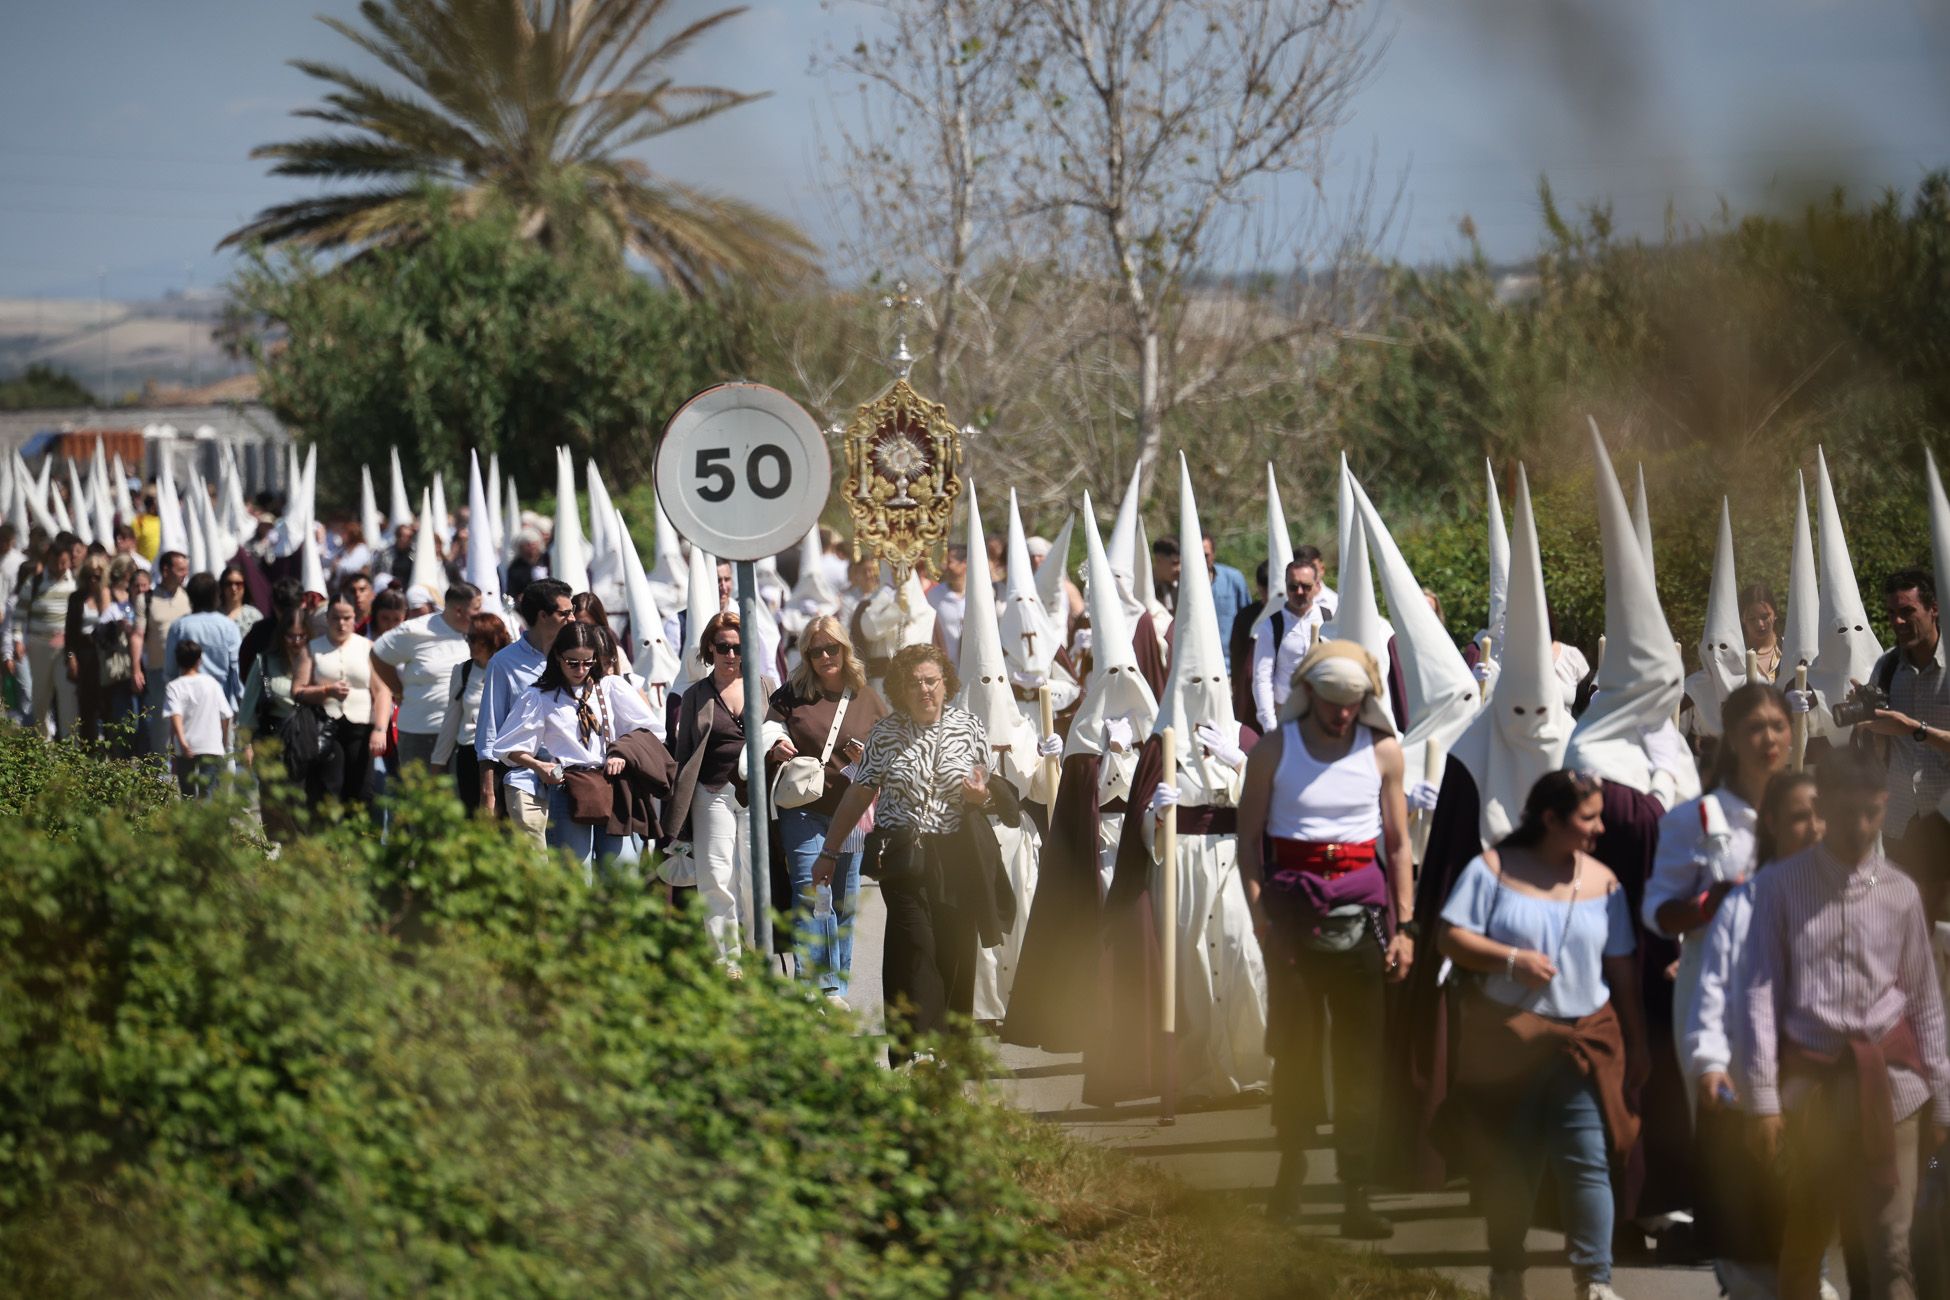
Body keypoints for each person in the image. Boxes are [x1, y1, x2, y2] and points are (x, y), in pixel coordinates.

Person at [1745, 746, 1950, 1300]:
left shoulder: (1901, 894)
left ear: (1884, 806)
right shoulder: (1780, 887)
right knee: (1805, 1241)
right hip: (1810, 1095)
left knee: (1892, 1247)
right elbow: (1759, 994)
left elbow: (1925, 1002)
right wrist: (1763, 1100)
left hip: (1892, 1094)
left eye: (1871, 812)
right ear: (1822, 809)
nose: (1860, 826)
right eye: (1845, 812)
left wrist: (1943, 1102)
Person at [1436, 770, 1649, 1300]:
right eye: (1588, 818)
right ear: (1551, 819)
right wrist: (1512, 961)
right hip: (1512, 1046)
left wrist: (1637, 1040)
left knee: (1588, 1161)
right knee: (1514, 1165)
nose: (1600, 828)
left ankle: (1594, 1281)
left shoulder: (1604, 882)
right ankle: (1507, 1272)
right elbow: (1451, 937)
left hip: (1583, 1043)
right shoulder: (1492, 870)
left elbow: (1621, 970)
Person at [1239, 640, 1417, 1238]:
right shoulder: (1273, 751)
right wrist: (1260, 917)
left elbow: (1398, 845)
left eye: (1353, 702)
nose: (1342, 713)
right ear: (1309, 694)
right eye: (1332, 700)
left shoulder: (1383, 752)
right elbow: (1249, 844)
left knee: (1360, 1059)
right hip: (1291, 923)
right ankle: (1290, 1172)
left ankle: (1356, 1191)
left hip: (1364, 924)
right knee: (1295, 1052)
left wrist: (1405, 928)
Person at [811, 642, 1020, 1058]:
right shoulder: (885, 734)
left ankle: (951, 1054)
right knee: (916, 947)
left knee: (955, 952)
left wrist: (980, 796)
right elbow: (859, 793)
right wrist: (829, 852)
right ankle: (920, 1052)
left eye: (931, 681)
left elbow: (988, 790)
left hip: (958, 856)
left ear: (945, 683)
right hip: (903, 856)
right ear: (900, 689)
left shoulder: (969, 728)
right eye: (914, 683)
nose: (924, 690)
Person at [1685, 769, 1827, 1300]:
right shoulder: (1743, 905)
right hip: (1746, 1097)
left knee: (1806, 1236)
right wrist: (1710, 1062)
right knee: (1748, 1248)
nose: (1815, 827)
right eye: (1800, 817)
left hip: (1821, 1101)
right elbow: (1712, 990)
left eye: (1821, 815)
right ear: (1771, 823)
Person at [1642, 683, 1791, 1104]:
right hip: (1715, 999)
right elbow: (1658, 913)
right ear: (1733, 736)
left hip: (1791, 991)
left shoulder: (1805, 812)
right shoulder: (1695, 819)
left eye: (1778, 726)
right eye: (1755, 728)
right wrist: (1708, 906)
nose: (1769, 739)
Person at [763, 615, 889, 1000]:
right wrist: (776, 745)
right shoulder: (790, 695)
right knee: (809, 891)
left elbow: (889, 751)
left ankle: (836, 990)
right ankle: (814, 987)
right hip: (803, 807)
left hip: (850, 813)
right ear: (806, 656)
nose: (824, 657)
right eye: (815, 652)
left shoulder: (867, 697)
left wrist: (869, 757)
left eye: (831, 648)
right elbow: (767, 732)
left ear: (844, 649)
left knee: (842, 901)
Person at [491, 621, 662, 875]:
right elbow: (508, 746)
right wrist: (538, 766)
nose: (580, 670)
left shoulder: (610, 687)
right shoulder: (540, 696)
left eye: (587, 662)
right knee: (575, 873)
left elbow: (651, 730)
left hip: (611, 783)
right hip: (567, 787)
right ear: (558, 657)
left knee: (621, 872)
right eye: (572, 662)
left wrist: (621, 752)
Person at [1843, 568, 1950, 922]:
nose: (1898, 621)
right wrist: (1867, 721)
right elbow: (1878, 742)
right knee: (1905, 925)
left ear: (1934, 608)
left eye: (1907, 611)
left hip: (1945, 816)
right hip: (1902, 822)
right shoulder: (1887, 666)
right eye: (1892, 613)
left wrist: (1915, 729)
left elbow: (1908, 730)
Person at [670, 611, 772, 972]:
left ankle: (758, 952)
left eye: (738, 647)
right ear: (710, 648)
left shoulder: (763, 686)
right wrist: (678, 812)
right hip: (711, 792)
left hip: (755, 793)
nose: (731, 654)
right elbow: (684, 753)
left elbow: (778, 732)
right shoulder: (696, 694)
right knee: (716, 876)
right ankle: (725, 963)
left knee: (755, 878)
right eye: (723, 646)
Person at [475, 579, 575, 845]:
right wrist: (488, 793)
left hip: (573, 778)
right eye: (565, 613)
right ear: (543, 616)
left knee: (571, 862)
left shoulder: (576, 658)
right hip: (525, 779)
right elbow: (490, 729)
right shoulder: (504, 663)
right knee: (535, 860)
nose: (573, 618)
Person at [371, 581, 479, 769]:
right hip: (421, 733)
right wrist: (397, 690)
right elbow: (378, 654)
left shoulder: (478, 633)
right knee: (419, 788)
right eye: (476, 609)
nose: (481, 613)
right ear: (458, 611)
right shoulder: (416, 630)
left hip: (464, 735)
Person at [239, 607, 314, 836]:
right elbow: (248, 708)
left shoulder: (317, 660)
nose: (296, 642)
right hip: (274, 739)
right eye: (291, 636)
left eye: (301, 636)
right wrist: (246, 744)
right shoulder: (265, 663)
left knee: (302, 803)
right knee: (275, 803)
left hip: (307, 739)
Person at [297, 594, 376, 807]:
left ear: (355, 618)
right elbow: (298, 691)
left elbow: (381, 691)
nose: (341, 624)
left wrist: (380, 729)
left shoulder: (367, 646)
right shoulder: (312, 648)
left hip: (361, 727)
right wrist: (326, 691)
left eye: (346, 618)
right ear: (327, 619)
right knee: (330, 789)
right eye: (335, 618)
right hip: (326, 727)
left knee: (362, 791)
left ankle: (360, 828)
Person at [432, 613, 513, 813]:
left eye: (477, 639)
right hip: (469, 752)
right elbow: (451, 718)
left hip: (502, 754)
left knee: (503, 817)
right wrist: (438, 761)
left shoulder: (509, 669)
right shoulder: (463, 671)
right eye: (469, 637)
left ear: (493, 640)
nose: (470, 643)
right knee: (472, 815)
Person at [1250, 551, 1336, 732]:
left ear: (1317, 585)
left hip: (1325, 709)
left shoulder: (1330, 618)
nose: (1299, 592)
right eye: (1293, 587)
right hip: (1287, 711)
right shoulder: (1272, 625)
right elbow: (1262, 678)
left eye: (1306, 586)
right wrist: (1269, 724)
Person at [131, 549, 190, 752]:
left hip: (186, 672)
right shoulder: (146, 600)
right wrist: (136, 669)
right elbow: (137, 636)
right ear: (165, 571)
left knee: (186, 723)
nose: (185, 574)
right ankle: (159, 768)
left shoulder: (188, 596)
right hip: (158, 672)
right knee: (160, 725)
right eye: (180, 570)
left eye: (186, 569)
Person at [24, 534, 80, 739]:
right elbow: (19, 614)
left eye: (65, 562)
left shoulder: (74, 583)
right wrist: (17, 641)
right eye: (57, 562)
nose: (61, 567)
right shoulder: (35, 582)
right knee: (40, 697)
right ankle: (42, 743)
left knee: (68, 698)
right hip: (39, 646)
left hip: (65, 650)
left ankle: (69, 745)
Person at [164, 573, 244, 710]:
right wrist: (241, 699)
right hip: (222, 703)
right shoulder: (229, 626)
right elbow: (236, 668)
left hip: (188, 705)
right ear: (216, 595)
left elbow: (170, 670)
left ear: (190, 596)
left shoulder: (179, 627)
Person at [164, 639, 232, 800]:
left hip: (185, 746)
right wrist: (223, 741)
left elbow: (175, 716)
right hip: (211, 746)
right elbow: (226, 715)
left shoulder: (174, 686)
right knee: (207, 793)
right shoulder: (212, 683)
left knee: (187, 795)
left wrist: (181, 743)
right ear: (199, 661)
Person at [1202, 536, 1252, 672]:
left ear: (1213, 554)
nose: (1200, 560)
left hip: (1230, 666)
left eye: (1205, 555)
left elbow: (1248, 621)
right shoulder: (1180, 584)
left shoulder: (1234, 579)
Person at [926, 543, 969, 664]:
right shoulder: (934, 595)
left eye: (950, 562)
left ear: (964, 563)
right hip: (946, 666)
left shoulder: (978, 593)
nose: (945, 566)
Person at [1739, 582, 1783, 684]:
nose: (1760, 624)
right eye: (1752, 619)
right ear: (1742, 619)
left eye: (1765, 617)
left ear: (1775, 614)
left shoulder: (1789, 650)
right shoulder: (1736, 656)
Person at [220, 564, 262, 638]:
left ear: (244, 586)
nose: (233, 588)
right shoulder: (214, 615)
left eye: (238, 584)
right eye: (229, 584)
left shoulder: (254, 616)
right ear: (223, 586)